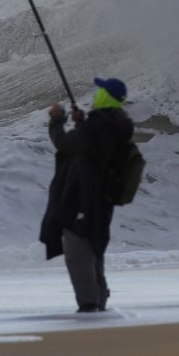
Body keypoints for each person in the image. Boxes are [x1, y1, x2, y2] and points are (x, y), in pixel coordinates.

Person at [39, 76, 135, 313]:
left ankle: (89, 304)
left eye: (100, 91)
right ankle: (99, 300)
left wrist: (56, 121)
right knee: (94, 248)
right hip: (102, 199)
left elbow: (64, 144)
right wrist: (83, 124)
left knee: (77, 255)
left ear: (106, 97)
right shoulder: (116, 124)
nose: (96, 94)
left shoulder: (99, 126)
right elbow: (93, 150)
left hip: (83, 198)